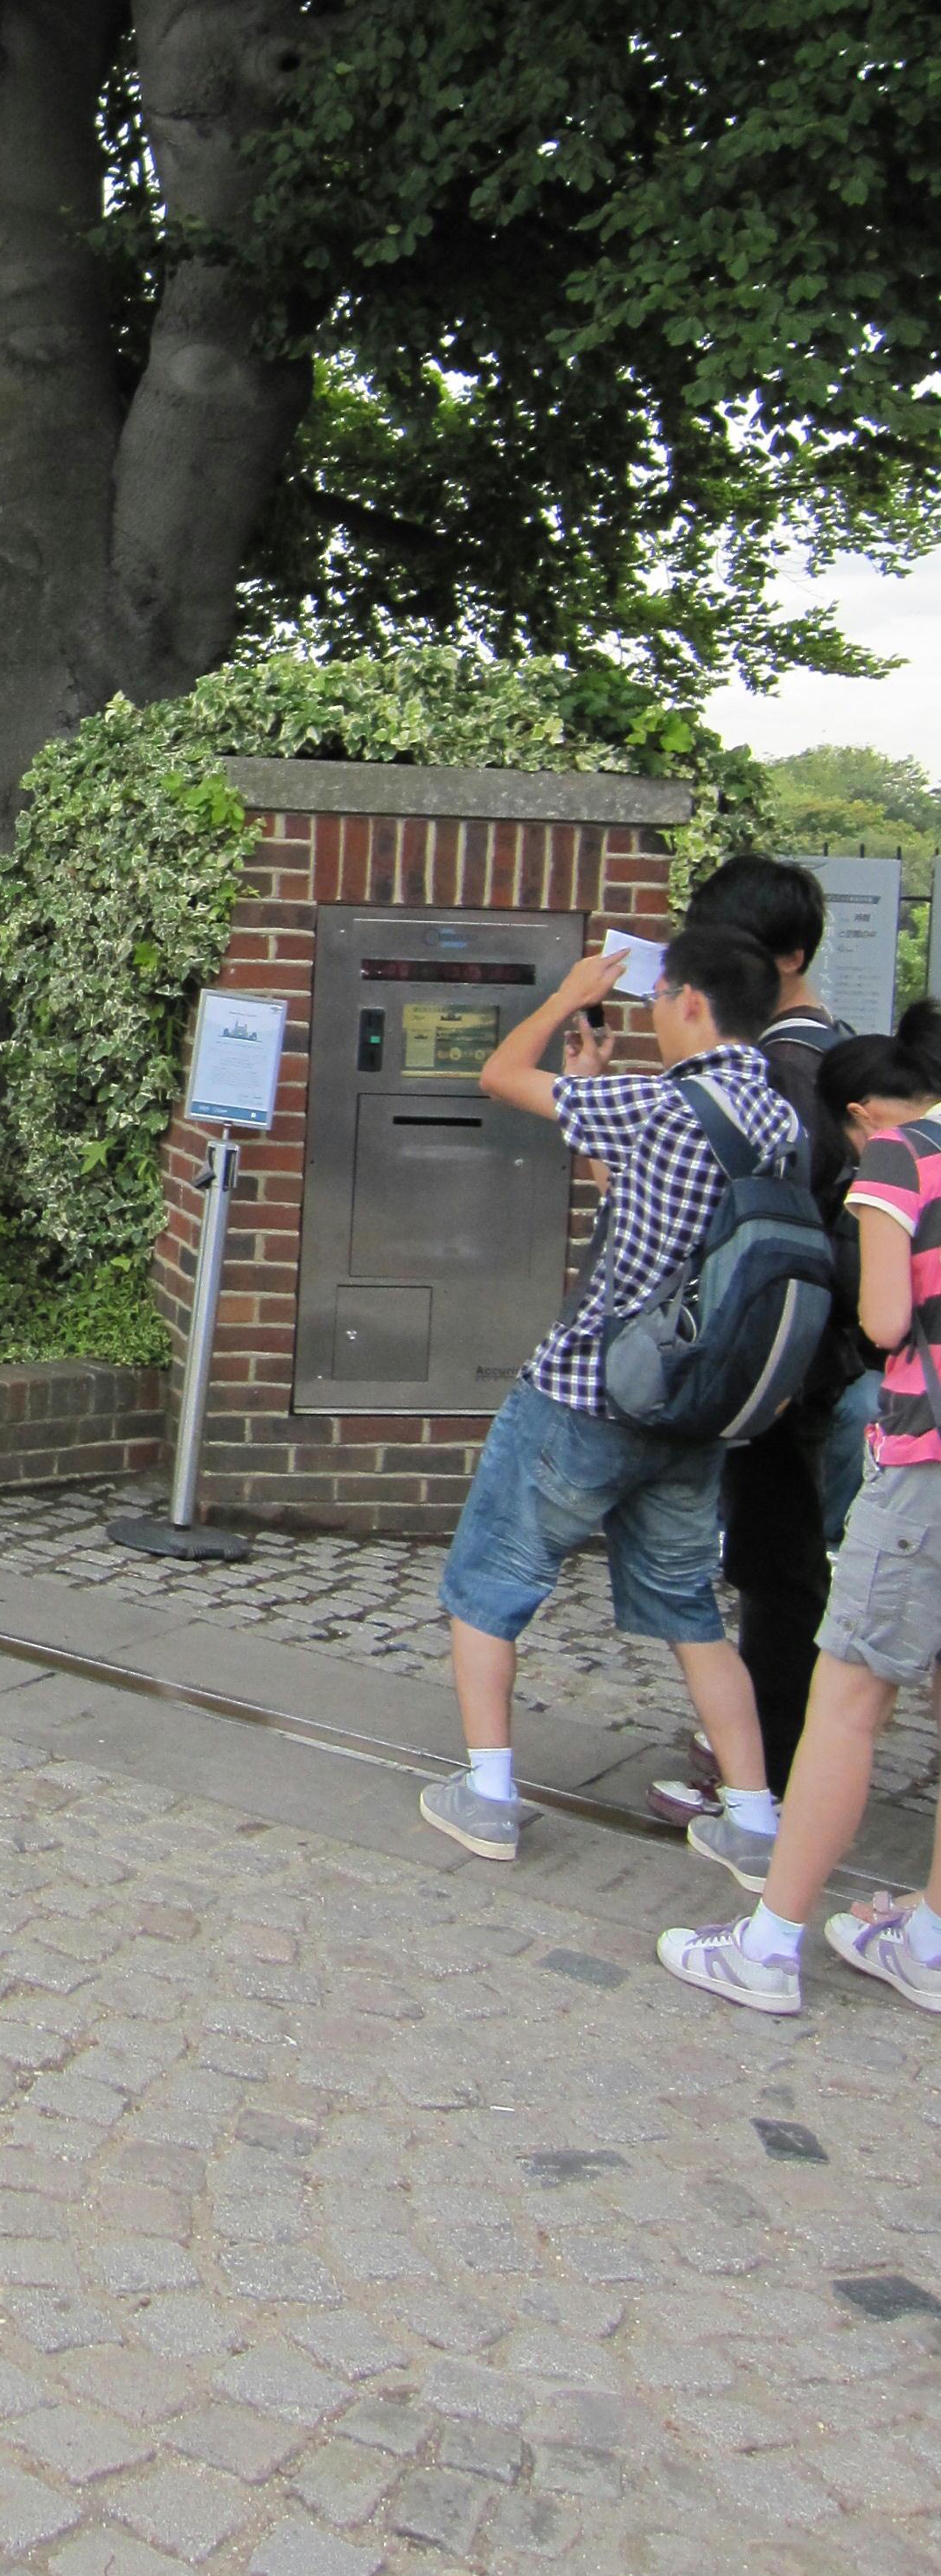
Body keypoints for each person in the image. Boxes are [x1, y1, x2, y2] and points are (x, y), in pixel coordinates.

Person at [419, 920, 802, 1869]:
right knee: (690, 1610)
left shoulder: (659, 1104)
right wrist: (593, 1085)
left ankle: (489, 1795)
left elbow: (500, 1075)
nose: (658, 1011)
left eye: (663, 996)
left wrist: (566, 998)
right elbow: (651, 1215)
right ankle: (753, 1817)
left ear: (692, 1002)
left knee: (489, 1580)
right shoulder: (782, 1126)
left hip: (586, 1393)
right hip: (694, 1411)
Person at [659, 1000, 941, 2017]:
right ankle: (929, 1937)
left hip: (927, 1460)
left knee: (848, 1702)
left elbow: (885, 1319)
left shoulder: (904, 1155)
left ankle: (770, 1942)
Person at [649, 858, 868, 1803]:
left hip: (784, 1351)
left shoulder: (791, 1066)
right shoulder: (824, 1051)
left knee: (778, 1557)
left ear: (790, 958)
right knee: (775, 1549)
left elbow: (757, 1212)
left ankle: (769, 1773)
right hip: (800, 1345)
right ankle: (767, 1754)